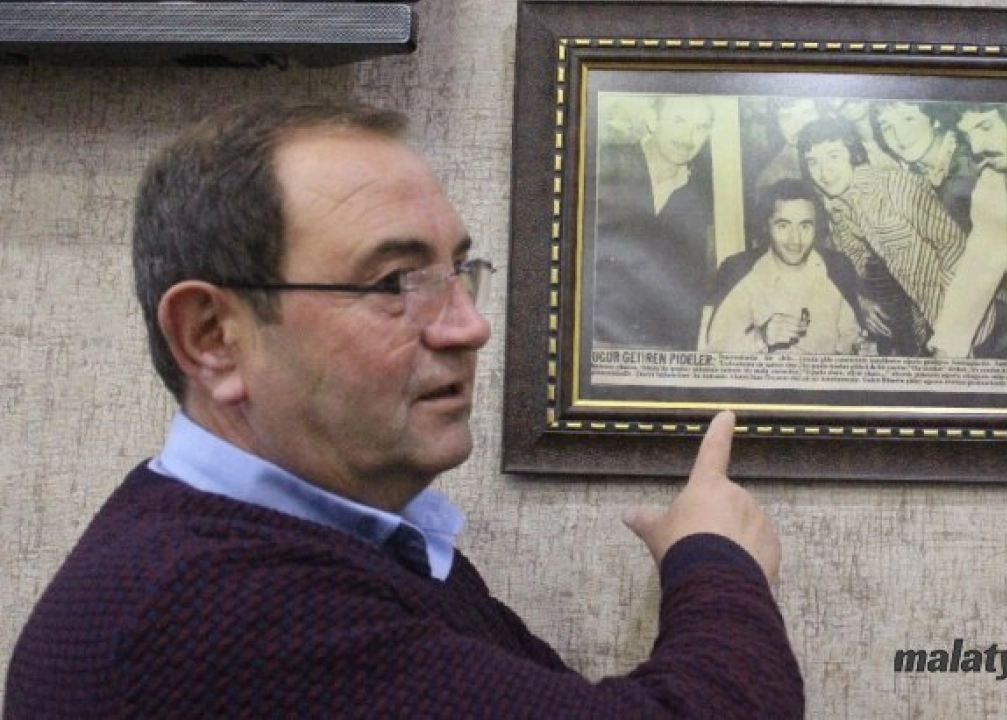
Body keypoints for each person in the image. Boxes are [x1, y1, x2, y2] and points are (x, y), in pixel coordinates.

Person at [5, 100, 804, 717]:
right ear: (212, 336)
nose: (470, 325)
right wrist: (715, 558)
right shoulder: (214, 612)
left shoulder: (332, 542)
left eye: (459, 271)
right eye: (394, 282)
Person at [798, 115, 967, 357]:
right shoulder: (833, 211)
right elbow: (848, 271)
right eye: (813, 162)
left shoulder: (893, 184)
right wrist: (860, 301)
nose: (825, 171)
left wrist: (953, 327)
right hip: (912, 334)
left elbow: (954, 246)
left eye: (834, 156)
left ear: (853, 153)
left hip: (959, 323)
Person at [593, 95, 717, 350]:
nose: (688, 137)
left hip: (660, 346)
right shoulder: (605, 163)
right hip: (595, 336)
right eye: (679, 121)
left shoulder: (700, 195)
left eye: (701, 127)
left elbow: (689, 290)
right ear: (652, 119)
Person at [703, 178, 864, 354]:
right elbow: (713, 353)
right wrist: (760, 338)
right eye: (783, 226)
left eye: (805, 226)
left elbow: (850, 335)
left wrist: (860, 348)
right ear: (766, 226)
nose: (795, 239)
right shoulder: (739, 271)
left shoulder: (837, 269)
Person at [928, 103, 1007, 359]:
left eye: (986, 127)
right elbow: (979, 269)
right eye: (969, 135)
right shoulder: (992, 180)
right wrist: (946, 348)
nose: (977, 148)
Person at [872, 100, 981, 232]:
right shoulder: (913, 179)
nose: (900, 135)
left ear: (935, 118)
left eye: (909, 119)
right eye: (887, 127)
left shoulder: (971, 164)